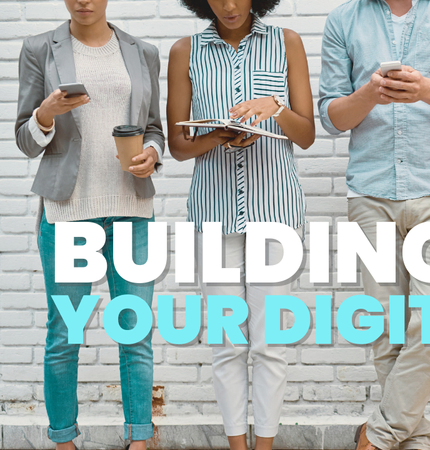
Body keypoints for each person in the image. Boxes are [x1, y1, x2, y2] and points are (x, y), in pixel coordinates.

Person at [318, 0, 430, 449]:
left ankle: (377, 436)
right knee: (386, 330)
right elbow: (332, 118)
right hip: (371, 194)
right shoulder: (342, 20)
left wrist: (426, 90)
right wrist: (368, 95)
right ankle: (413, 439)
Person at [14, 0, 164, 448]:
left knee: (134, 332)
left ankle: (139, 439)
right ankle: (63, 440)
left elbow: (153, 127)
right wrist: (47, 113)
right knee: (65, 335)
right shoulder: (40, 47)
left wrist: (152, 154)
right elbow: (25, 137)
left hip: (132, 211)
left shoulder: (143, 51)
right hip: (67, 214)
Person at [166, 0, 314, 449]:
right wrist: (219, 135)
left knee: (270, 344)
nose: (229, 5)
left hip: (276, 213)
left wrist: (274, 107)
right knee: (228, 343)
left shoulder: (286, 42)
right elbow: (177, 144)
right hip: (213, 211)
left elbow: (305, 134)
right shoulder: (184, 51)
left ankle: (264, 446)